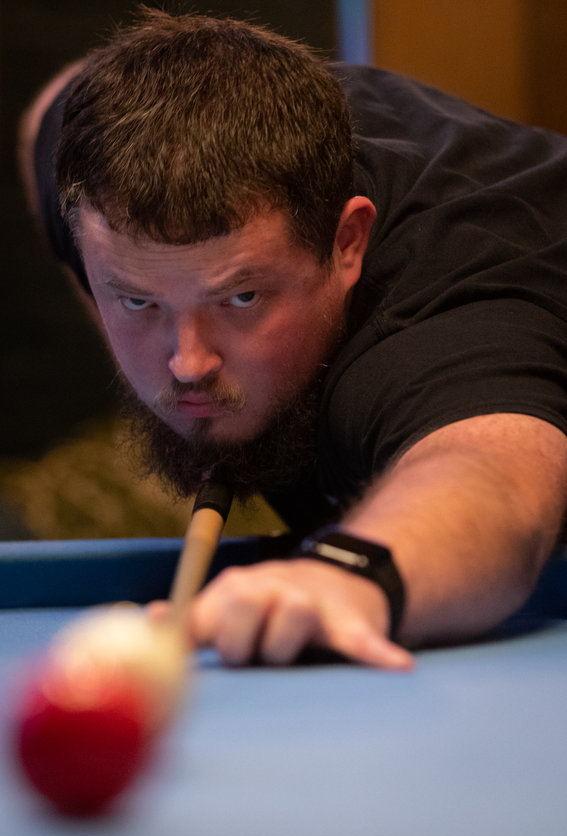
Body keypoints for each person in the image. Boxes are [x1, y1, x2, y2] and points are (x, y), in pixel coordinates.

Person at [19, 7, 567, 670]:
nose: (188, 362)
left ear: (346, 245)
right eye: (138, 299)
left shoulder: (441, 312)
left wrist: (344, 572)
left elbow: (496, 479)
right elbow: (46, 114)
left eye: (241, 297)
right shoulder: (94, 167)